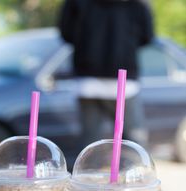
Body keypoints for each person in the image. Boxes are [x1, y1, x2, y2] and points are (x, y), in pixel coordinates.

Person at [58, 0, 154, 148]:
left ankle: (88, 170)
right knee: (134, 144)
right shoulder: (138, 3)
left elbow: (66, 32)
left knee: (90, 143)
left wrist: (87, 44)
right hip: (124, 79)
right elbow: (147, 36)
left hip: (87, 78)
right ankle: (135, 170)